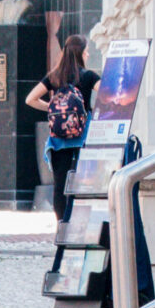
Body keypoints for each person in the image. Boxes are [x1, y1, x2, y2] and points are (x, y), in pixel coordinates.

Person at [25, 33, 99, 224]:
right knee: (84, 183)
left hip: (59, 140)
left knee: (60, 185)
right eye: (87, 51)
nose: (88, 55)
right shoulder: (89, 76)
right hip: (83, 138)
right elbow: (109, 94)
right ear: (81, 53)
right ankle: (80, 225)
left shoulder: (54, 76)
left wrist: (50, 107)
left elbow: (30, 99)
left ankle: (62, 226)